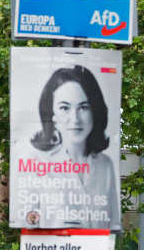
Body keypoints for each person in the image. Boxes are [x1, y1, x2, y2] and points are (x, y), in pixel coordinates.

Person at [18, 65, 120, 229]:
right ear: (53, 115)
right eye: (64, 108)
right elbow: (27, 222)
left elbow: (112, 224)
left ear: (95, 111)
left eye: (84, 107)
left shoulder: (105, 165)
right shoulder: (34, 162)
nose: (75, 118)